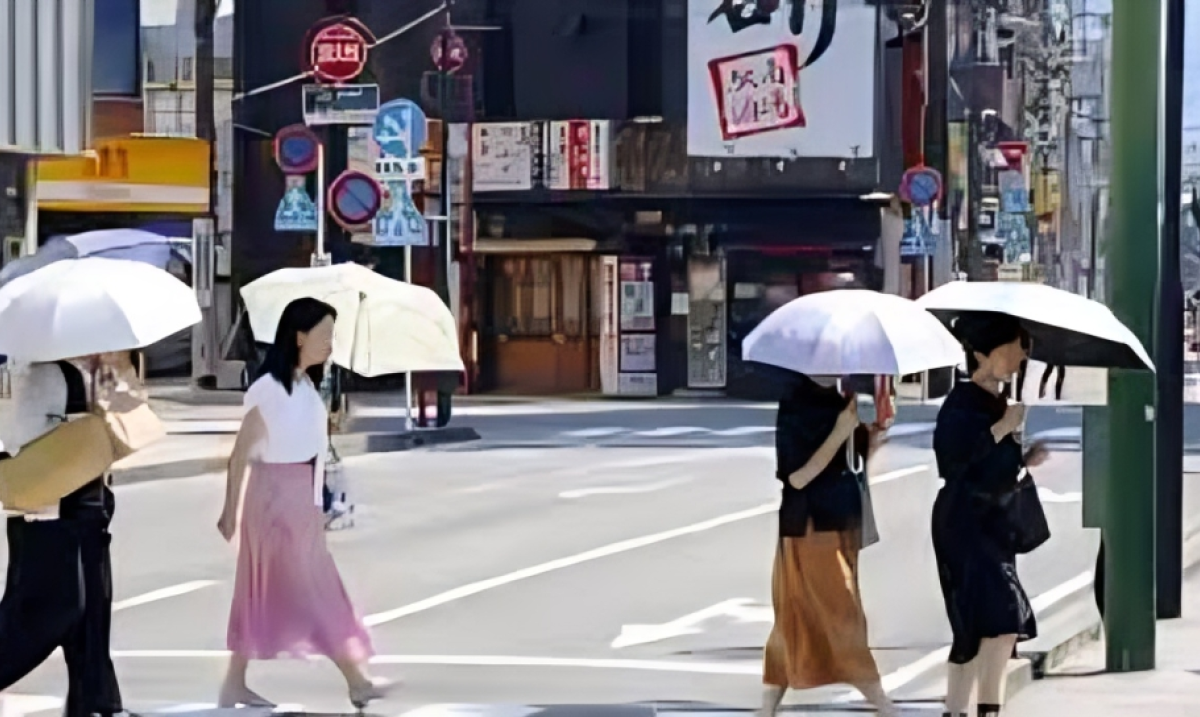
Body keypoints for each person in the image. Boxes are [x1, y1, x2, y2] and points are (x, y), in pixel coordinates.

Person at [216, 297, 387, 709]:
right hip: (275, 498)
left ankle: (233, 684)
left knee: (270, 590)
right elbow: (241, 453)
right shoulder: (268, 389)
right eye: (324, 334)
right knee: (313, 590)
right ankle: (356, 679)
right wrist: (228, 512)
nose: (330, 343)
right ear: (298, 336)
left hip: (299, 498)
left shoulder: (307, 384)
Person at [0, 354, 132, 717]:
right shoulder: (34, 372)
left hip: (89, 504)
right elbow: (22, 440)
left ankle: (97, 703)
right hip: (50, 510)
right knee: (49, 611)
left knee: (92, 613)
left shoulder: (85, 371)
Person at [933, 313, 1049, 717]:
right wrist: (1000, 430)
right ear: (982, 354)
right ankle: (986, 710)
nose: (1019, 359)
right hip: (964, 522)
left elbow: (996, 465)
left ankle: (958, 710)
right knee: (999, 619)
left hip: (994, 521)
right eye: (1012, 349)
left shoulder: (1000, 403)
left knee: (982, 627)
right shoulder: (960, 403)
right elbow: (954, 465)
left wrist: (1024, 456)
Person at [759, 374, 895, 717]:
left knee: (796, 613)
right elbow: (796, 477)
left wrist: (871, 437)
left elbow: (853, 462)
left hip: (839, 520)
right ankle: (879, 698)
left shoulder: (840, 400)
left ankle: (767, 705)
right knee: (840, 610)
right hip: (809, 523)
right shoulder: (795, 405)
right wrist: (839, 432)